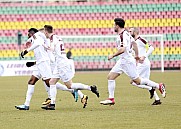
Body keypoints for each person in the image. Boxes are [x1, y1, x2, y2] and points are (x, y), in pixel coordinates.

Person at [100, 18, 166, 105]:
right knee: (110, 77)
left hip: (127, 62)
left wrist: (112, 55)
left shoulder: (122, 35)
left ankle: (158, 86)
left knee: (138, 81)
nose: (113, 27)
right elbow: (134, 44)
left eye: (114, 25)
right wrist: (137, 56)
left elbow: (123, 49)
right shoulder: (127, 33)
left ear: (117, 25)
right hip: (122, 61)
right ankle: (111, 99)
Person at [41, 25, 99, 110]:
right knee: (52, 82)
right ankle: (52, 104)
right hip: (59, 64)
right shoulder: (58, 37)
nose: (44, 34)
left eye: (44, 32)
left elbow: (52, 48)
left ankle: (90, 88)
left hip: (62, 65)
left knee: (70, 85)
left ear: (46, 31)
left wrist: (44, 46)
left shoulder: (53, 39)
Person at [129, 27, 161, 105]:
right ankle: (157, 99)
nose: (129, 32)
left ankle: (153, 88)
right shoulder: (133, 41)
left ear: (135, 32)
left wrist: (144, 56)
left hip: (143, 64)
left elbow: (151, 48)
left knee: (133, 81)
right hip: (142, 64)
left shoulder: (140, 40)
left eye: (130, 31)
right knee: (146, 82)